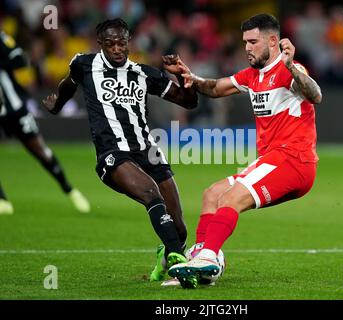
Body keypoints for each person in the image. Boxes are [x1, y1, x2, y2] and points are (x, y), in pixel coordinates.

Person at [168, 13, 322, 288]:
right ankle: (200, 263)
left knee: (231, 197)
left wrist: (292, 68)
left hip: (293, 160)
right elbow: (215, 88)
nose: (247, 48)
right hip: (272, 160)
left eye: (253, 41)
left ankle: (209, 257)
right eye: (245, 42)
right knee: (212, 195)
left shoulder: (290, 70)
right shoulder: (252, 76)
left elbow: (315, 95)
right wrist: (192, 77)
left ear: (273, 41)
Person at [42, 18, 198, 281]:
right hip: (113, 153)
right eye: (111, 44)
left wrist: (181, 74)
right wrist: (57, 105)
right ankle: (180, 264)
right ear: (101, 44)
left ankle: (166, 257)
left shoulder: (145, 73)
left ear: (128, 43)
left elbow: (189, 101)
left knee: (179, 228)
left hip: (148, 152)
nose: (117, 49)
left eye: (122, 43)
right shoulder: (84, 64)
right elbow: (68, 84)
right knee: (152, 194)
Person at [0, 30, 90, 215]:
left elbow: (20, 60)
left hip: (14, 108)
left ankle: (69, 189)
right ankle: (2, 200)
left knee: (41, 151)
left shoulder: (1, 38)